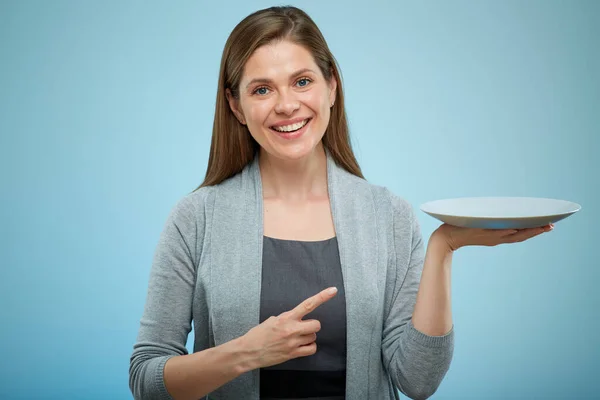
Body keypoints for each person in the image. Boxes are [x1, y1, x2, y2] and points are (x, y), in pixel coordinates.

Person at [129, 6, 552, 400]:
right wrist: (245, 353)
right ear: (236, 106)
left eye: (302, 81)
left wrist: (444, 247)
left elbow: (417, 381)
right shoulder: (197, 217)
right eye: (262, 89)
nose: (287, 104)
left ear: (332, 87)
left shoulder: (390, 217)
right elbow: (146, 378)